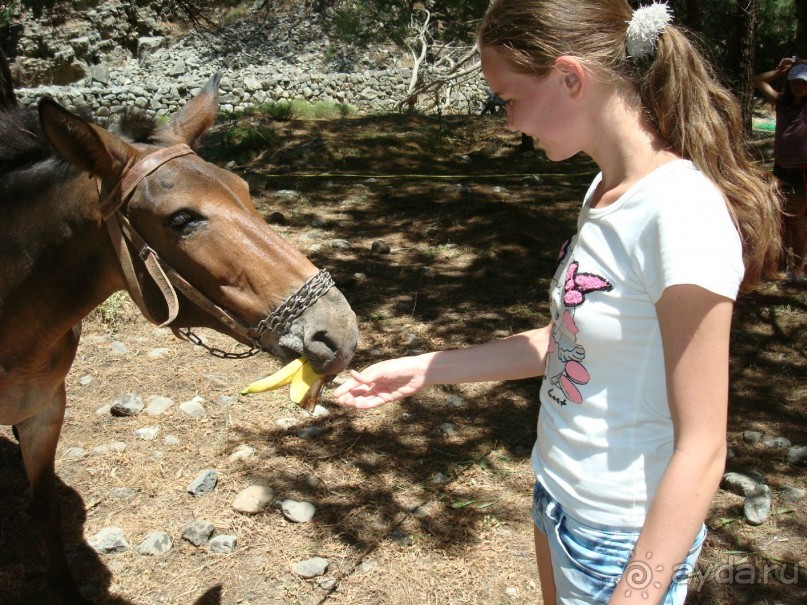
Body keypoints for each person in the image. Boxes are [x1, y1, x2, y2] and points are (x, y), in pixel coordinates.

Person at [335, 1, 782, 604]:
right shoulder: (605, 188)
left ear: (571, 78)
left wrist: (638, 592)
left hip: (621, 537)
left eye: (510, 98)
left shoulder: (680, 215)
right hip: (557, 494)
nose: (510, 121)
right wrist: (424, 369)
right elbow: (570, 340)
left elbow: (703, 448)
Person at [754, 57, 807, 284]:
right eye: (795, 82)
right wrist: (781, 71)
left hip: (801, 170)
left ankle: (798, 268)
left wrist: (802, 61)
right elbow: (758, 80)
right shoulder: (781, 102)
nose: (799, 87)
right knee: (781, 218)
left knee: (795, 219)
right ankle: (783, 264)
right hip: (781, 167)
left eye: (803, 83)